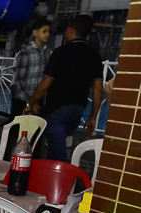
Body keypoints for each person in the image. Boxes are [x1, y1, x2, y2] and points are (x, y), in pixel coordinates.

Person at [25, 15, 103, 161]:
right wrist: (93, 116)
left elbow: (44, 85)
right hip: (77, 110)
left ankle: (61, 175)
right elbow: (98, 89)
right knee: (54, 150)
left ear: (71, 29)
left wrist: (30, 103)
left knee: (57, 155)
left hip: (57, 109)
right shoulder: (94, 56)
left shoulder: (61, 52)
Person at [10, 18, 52, 117]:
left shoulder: (48, 52)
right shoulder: (26, 52)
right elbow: (19, 80)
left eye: (48, 32)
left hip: (38, 100)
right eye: (44, 31)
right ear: (35, 33)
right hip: (22, 99)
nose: (47, 34)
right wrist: (30, 101)